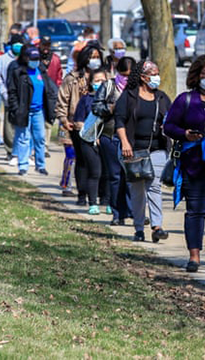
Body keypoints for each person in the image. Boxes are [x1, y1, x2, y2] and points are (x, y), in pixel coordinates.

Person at [164, 55, 205, 272]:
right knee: (195, 210)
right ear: (197, 76)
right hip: (193, 165)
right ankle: (194, 255)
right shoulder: (186, 100)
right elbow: (169, 126)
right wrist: (185, 134)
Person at [115, 60, 171, 243]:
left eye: (157, 72)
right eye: (152, 73)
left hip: (156, 149)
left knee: (154, 186)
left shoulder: (162, 98)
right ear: (142, 76)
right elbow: (120, 121)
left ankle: (157, 226)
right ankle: (139, 228)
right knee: (138, 189)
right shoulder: (129, 96)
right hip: (133, 150)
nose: (156, 76)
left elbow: (171, 119)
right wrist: (125, 143)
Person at [56, 43, 104, 205]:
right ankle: (81, 194)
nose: (94, 61)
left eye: (97, 57)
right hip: (77, 125)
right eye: (91, 57)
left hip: (101, 126)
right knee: (80, 160)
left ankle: (100, 195)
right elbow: (62, 101)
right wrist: (64, 120)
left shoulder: (105, 77)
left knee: (99, 162)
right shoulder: (72, 78)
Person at [92, 56, 136, 226]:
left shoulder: (140, 88)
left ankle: (134, 211)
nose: (127, 79)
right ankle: (117, 213)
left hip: (133, 138)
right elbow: (96, 107)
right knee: (115, 176)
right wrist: (109, 108)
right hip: (110, 136)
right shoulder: (108, 86)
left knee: (132, 176)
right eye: (124, 75)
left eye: (130, 75)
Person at [7, 45, 58, 176]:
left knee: (40, 138)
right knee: (24, 138)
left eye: (37, 58)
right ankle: (23, 165)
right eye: (32, 58)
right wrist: (16, 109)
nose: (35, 61)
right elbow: (12, 92)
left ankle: (40, 165)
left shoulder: (41, 70)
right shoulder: (18, 72)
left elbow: (49, 89)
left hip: (39, 111)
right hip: (23, 110)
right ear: (25, 58)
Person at [73, 68, 108, 215]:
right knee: (95, 172)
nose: (99, 83)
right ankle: (93, 203)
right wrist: (92, 133)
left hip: (107, 141)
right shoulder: (86, 100)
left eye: (103, 80)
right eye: (97, 80)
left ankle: (107, 201)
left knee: (108, 173)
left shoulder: (111, 99)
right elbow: (78, 122)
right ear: (91, 82)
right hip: (88, 141)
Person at [0, 34, 24, 163]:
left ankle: (23, 152)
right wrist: (5, 95)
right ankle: (10, 150)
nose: (18, 46)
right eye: (15, 44)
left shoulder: (27, 58)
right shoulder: (3, 59)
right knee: (9, 126)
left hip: (23, 98)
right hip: (9, 97)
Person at [39, 36, 63, 158]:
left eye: (48, 45)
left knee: (49, 120)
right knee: (37, 120)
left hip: (50, 94)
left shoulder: (55, 59)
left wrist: (57, 90)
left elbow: (59, 76)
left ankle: (45, 147)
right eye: (44, 45)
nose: (46, 48)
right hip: (37, 93)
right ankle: (36, 145)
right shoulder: (35, 57)